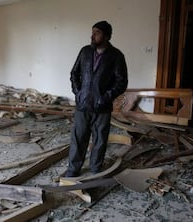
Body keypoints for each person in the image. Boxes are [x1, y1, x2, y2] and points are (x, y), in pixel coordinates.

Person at [66, 20, 128, 177]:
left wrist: (106, 97)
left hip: (102, 107)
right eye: (92, 32)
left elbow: (122, 82)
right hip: (83, 104)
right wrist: (77, 92)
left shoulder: (116, 56)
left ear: (107, 36)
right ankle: (73, 170)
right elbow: (74, 73)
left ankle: (95, 169)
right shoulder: (85, 51)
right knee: (78, 139)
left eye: (97, 33)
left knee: (100, 140)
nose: (92, 36)